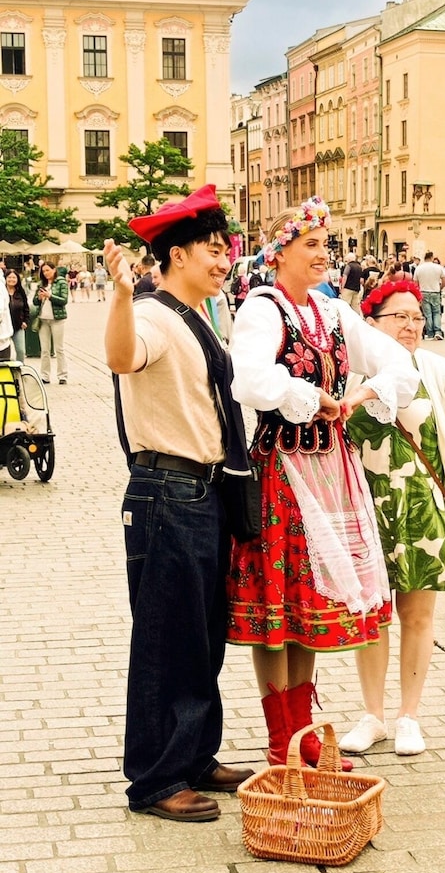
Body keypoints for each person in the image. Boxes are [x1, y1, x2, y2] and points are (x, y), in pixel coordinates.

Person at [225, 196, 420, 770]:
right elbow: (251, 380)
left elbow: (400, 364)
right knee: (277, 609)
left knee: (308, 608)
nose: (322, 254)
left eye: (324, 245)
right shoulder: (264, 308)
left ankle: (302, 731)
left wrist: (363, 393)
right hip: (281, 472)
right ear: (279, 252)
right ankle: (279, 731)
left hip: (329, 472)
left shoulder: (333, 313)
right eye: (309, 244)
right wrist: (310, 398)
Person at [103, 184, 254, 823]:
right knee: (167, 639)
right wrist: (117, 293)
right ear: (176, 255)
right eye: (212, 251)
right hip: (168, 493)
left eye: (227, 251)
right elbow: (120, 357)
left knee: (202, 635)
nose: (224, 261)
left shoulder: (199, 316)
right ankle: (157, 781)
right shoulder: (155, 317)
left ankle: (193, 755)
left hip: (203, 491)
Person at [339, 280, 445, 756]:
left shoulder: (432, 368)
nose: (412, 326)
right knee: (370, 614)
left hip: (422, 510)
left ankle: (409, 716)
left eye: (416, 317)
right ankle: (372, 715)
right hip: (365, 508)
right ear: (372, 324)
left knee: (416, 616)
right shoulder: (350, 375)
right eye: (399, 317)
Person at [32, 261, 69, 384]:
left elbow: (64, 300)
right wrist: (39, 297)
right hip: (43, 319)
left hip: (57, 319)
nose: (46, 273)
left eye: (48, 270)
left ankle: (62, 375)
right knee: (45, 350)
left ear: (54, 270)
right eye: (43, 271)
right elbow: (35, 302)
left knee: (59, 348)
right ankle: (45, 376)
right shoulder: (41, 284)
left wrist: (50, 296)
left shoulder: (61, 282)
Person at [414, 251, 445, 340]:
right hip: (435, 292)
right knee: (436, 313)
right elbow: (444, 280)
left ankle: (430, 333)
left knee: (427, 314)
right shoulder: (438, 267)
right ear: (432, 257)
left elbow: (415, 283)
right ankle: (437, 331)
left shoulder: (419, 268)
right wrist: (440, 288)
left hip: (423, 292)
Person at [7, 269, 30, 362]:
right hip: (4, 327)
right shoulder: (2, 292)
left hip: (18, 326)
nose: (11, 279)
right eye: (9, 277)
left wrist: (25, 321)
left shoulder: (21, 292)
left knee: (21, 351)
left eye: (14, 277)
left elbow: (26, 308)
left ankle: (19, 370)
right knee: (4, 353)